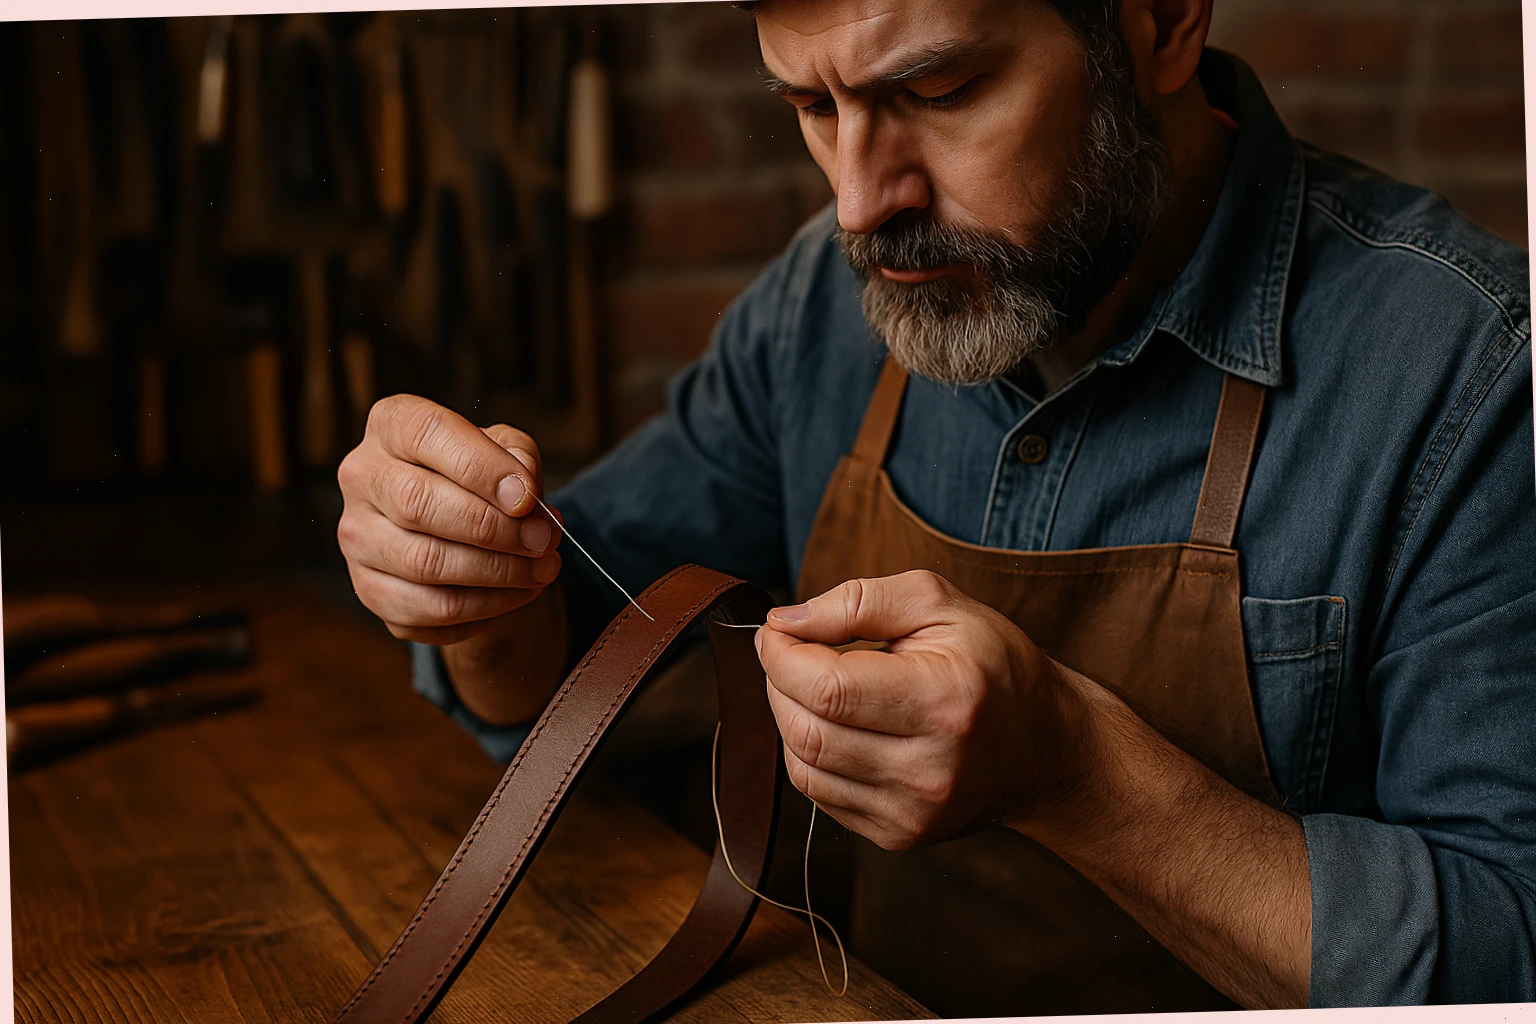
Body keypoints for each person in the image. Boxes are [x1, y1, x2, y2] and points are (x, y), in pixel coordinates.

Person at [335, 0, 1536, 1014]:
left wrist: (1074, 771)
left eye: (940, 92)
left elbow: (1510, 960)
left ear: (1165, 23)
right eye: (813, 106)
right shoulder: (821, 306)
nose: (861, 203)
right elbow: (550, 680)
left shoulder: (1470, 377)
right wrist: (473, 588)